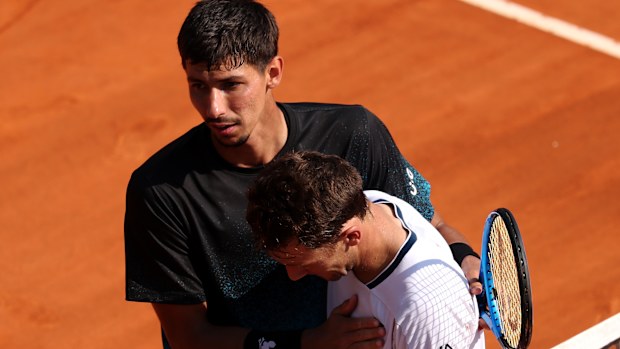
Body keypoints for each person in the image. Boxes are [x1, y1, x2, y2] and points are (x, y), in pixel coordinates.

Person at [123, 0, 482, 348]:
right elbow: (190, 337)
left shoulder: (353, 134)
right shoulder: (160, 191)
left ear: (273, 73)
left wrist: (465, 258)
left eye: (231, 85)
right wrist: (304, 344)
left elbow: (429, 225)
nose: (213, 108)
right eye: (198, 85)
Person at [246, 151, 485, 348]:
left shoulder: (426, 314)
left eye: (302, 263)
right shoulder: (370, 205)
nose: (293, 275)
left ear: (351, 237)